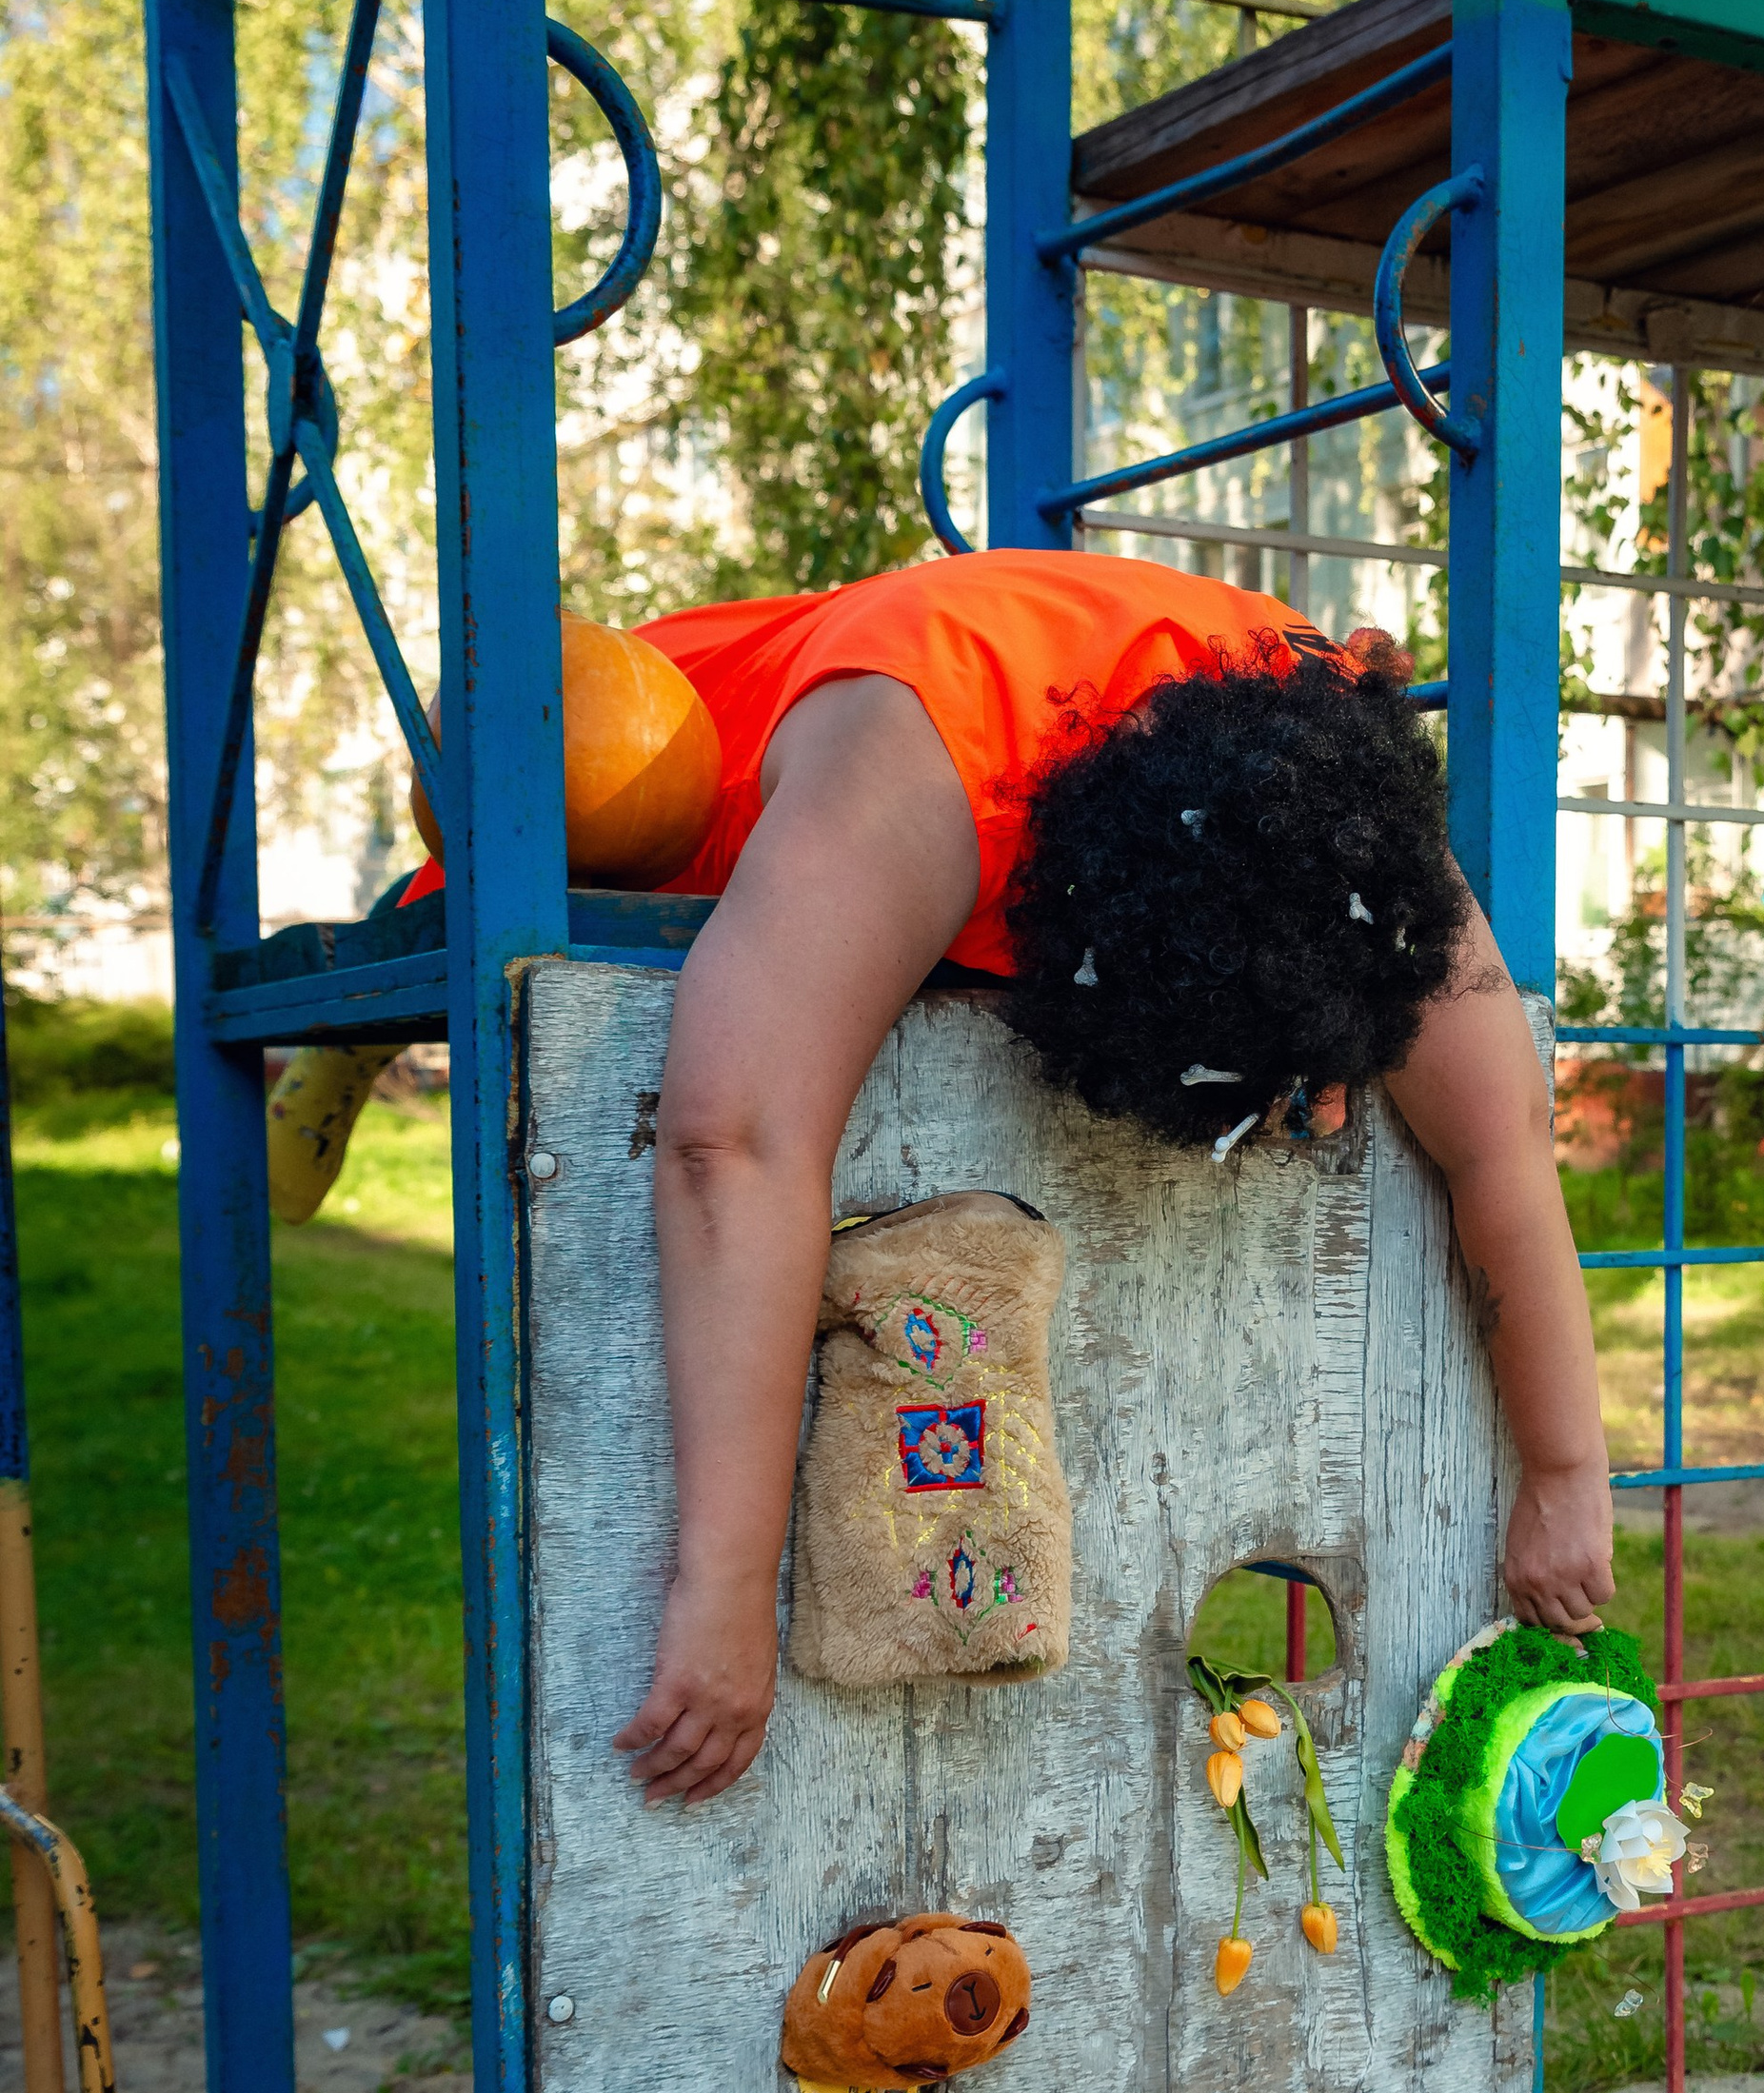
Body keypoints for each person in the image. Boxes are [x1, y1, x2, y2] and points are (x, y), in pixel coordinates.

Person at [577, 546, 1615, 1806]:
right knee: (575, 800)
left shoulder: (1344, 830)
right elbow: (730, 1143)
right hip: (682, 749)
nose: (1323, 1125)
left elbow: (1501, 1143)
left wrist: (1566, 1473)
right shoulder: (916, 770)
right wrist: (728, 1586)